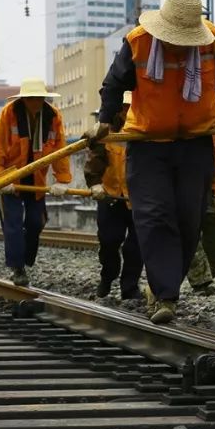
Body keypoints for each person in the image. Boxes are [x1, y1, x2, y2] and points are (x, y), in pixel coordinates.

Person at [92, 0, 215, 324]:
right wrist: (105, 121)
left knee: (188, 220)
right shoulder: (138, 41)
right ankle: (165, 296)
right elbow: (113, 85)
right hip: (149, 144)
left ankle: (163, 287)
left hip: (195, 142)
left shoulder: (212, 40)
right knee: (153, 216)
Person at [0, 77, 72, 287]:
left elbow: (61, 149)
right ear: (24, 99)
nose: (35, 102)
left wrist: (62, 179)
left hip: (36, 177)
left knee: (36, 221)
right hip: (10, 177)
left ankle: (26, 259)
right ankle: (18, 269)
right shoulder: (10, 113)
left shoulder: (53, 116)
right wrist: (0, 177)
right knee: (13, 224)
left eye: (39, 98)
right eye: (31, 98)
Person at [83, 92, 142, 300]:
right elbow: (94, 158)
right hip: (111, 198)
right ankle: (107, 277)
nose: (127, 111)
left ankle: (130, 287)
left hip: (139, 199)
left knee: (137, 246)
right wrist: (95, 183)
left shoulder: (147, 131)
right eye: (124, 107)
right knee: (109, 241)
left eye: (130, 107)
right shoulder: (105, 132)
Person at [185, 132, 215, 294]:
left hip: (210, 189)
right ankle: (201, 281)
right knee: (188, 233)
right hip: (187, 185)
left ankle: (208, 278)